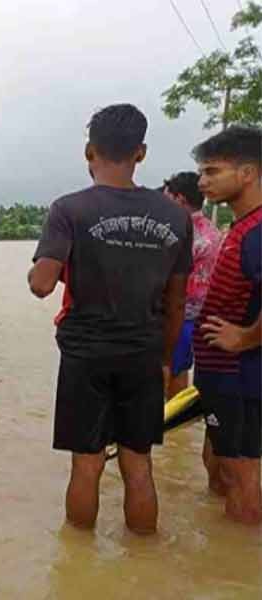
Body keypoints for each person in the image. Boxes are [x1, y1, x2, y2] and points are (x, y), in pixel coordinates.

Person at [28, 104, 193, 534]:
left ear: (89, 151)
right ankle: (143, 561)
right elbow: (177, 303)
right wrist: (164, 359)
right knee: (139, 465)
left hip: (86, 354)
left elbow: (42, 285)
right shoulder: (176, 216)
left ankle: (78, 569)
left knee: (86, 465)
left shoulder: (69, 209)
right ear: (140, 152)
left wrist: (38, 269)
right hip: (143, 352)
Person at [190, 125, 262, 525]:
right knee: (219, 464)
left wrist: (246, 338)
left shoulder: (257, 232)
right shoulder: (240, 227)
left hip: (240, 375)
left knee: (241, 473)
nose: (203, 182)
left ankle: (241, 571)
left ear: (248, 173)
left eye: (213, 172)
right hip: (224, 376)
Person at [162, 172, 222, 398]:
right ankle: (177, 432)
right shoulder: (214, 232)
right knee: (181, 370)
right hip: (201, 316)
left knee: (167, 371)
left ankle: (163, 428)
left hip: (179, 315)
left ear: (179, 199)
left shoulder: (184, 233)